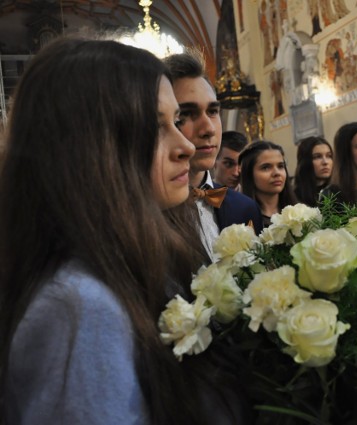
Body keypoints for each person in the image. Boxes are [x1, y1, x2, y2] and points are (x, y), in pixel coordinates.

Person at [0, 37, 249, 425]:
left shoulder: (134, 260)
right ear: (93, 146)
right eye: (157, 126)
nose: (185, 144)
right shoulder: (78, 306)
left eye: (176, 122)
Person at [164, 52, 263, 262]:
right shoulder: (148, 213)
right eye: (186, 114)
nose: (208, 129)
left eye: (212, 111)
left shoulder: (244, 208)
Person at [239, 141, 296, 227]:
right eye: (266, 168)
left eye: (280, 166)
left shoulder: (299, 214)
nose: (277, 173)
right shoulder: (241, 221)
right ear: (249, 174)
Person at [294, 136, 333, 207]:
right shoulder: (294, 197)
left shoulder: (339, 190)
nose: (325, 162)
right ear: (305, 162)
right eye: (317, 157)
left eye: (329, 156)